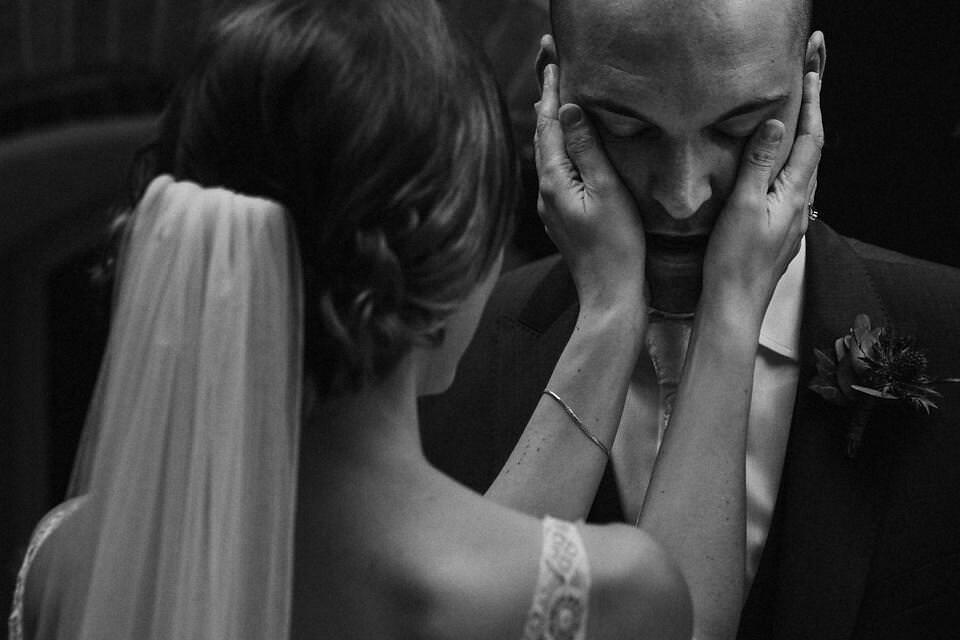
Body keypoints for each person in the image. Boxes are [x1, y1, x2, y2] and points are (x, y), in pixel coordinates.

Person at [9, 0, 819, 639]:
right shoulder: (607, 592)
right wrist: (730, 300)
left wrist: (610, 313)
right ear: (458, 258)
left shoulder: (67, 563)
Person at [421, 0, 960, 638]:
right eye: (627, 128)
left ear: (811, 75)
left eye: (739, 130)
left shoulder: (947, 327)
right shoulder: (443, 363)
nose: (683, 197)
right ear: (552, 85)